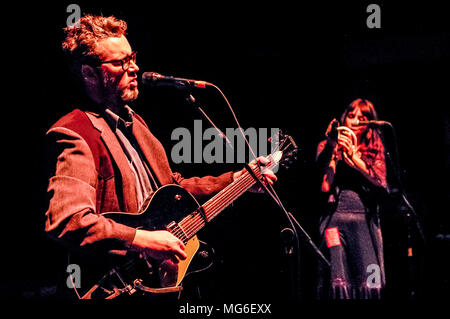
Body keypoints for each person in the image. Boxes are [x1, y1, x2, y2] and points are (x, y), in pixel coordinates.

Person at [44, 14, 277, 299]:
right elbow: (68, 220)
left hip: (153, 285)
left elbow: (171, 186)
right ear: (89, 74)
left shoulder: (137, 124)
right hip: (109, 286)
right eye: (120, 62)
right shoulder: (75, 132)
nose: (135, 68)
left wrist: (235, 181)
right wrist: (141, 240)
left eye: (132, 57)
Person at [316, 98, 388, 299]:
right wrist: (333, 150)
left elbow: (381, 182)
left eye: (362, 117)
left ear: (368, 123)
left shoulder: (374, 148)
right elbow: (324, 186)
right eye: (351, 115)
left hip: (363, 221)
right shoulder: (327, 145)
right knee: (338, 280)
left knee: (370, 279)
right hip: (335, 220)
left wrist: (354, 158)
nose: (355, 121)